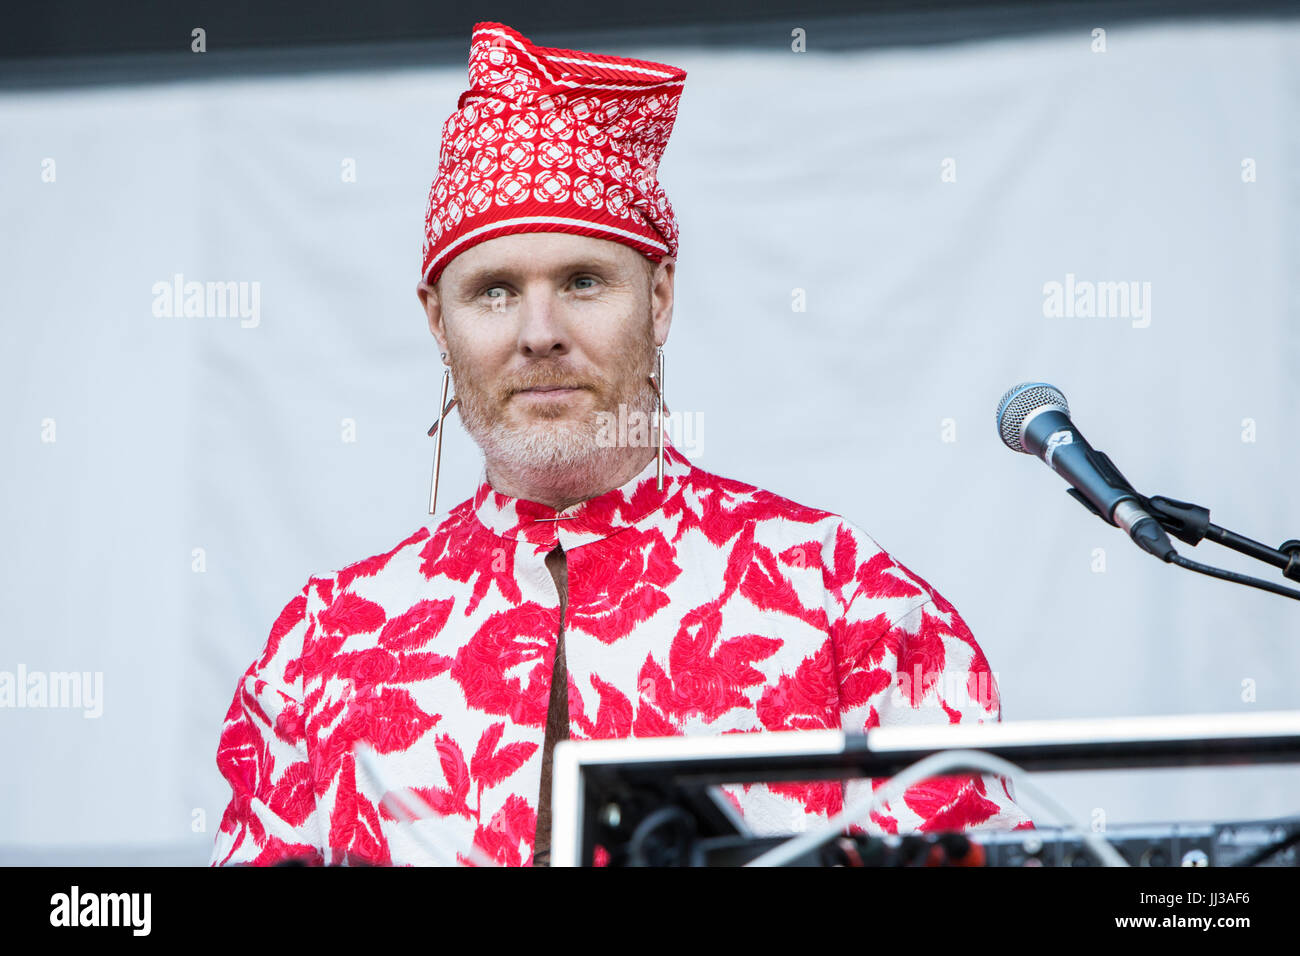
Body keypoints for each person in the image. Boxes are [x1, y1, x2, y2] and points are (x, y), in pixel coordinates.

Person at [209, 20, 1033, 868]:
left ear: (660, 298)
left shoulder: (847, 601)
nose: (540, 333)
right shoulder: (325, 646)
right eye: (493, 291)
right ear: (437, 323)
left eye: (583, 281)